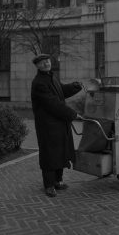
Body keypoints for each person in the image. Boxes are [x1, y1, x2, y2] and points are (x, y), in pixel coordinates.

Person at [31, 54, 83, 197]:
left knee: (61, 152)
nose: (46, 64)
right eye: (42, 63)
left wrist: (75, 86)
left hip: (59, 123)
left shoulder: (51, 76)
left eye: (47, 61)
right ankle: (48, 185)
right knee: (49, 155)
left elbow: (60, 91)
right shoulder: (39, 83)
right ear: (37, 66)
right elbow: (52, 104)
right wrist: (73, 114)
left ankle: (57, 181)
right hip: (47, 126)